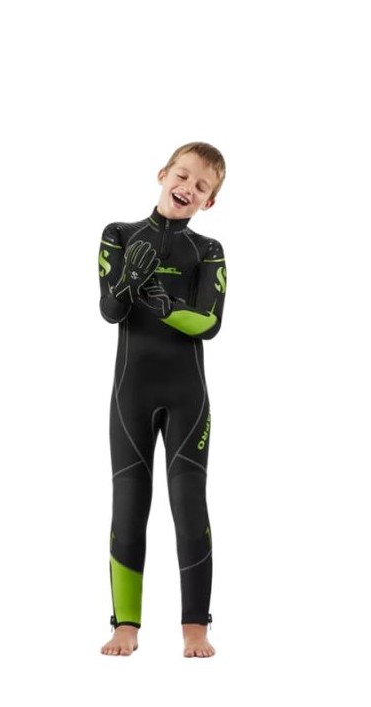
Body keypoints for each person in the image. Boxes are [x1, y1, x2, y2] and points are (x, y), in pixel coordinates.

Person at [97, 142, 228, 658]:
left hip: (186, 396)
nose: (188, 188)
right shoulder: (119, 235)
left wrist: (165, 305)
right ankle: (125, 626)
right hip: (131, 393)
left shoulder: (208, 250)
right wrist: (131, 278)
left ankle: (196, 627)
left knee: (188, 503)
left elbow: (209, 323)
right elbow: (111, 310)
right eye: (183, 175)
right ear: (163, 174)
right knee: (129, 503)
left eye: (201, 186)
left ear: (209, 202)